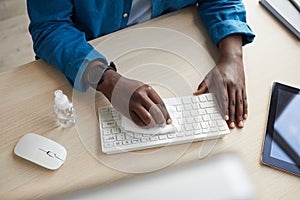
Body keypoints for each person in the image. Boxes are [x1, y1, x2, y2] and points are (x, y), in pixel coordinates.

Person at [27, 0, 255, 129]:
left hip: (167, 49)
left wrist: (232, 57)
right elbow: (50, 27)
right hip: (80, 61)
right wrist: (106, 79)